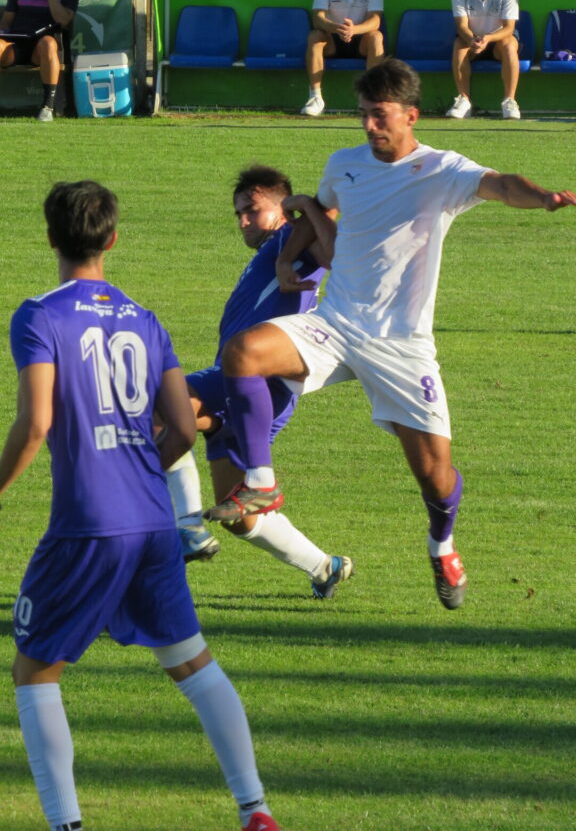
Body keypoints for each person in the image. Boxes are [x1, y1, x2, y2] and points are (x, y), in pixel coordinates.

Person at [205, 59, 576, 611]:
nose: (370, 128)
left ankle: (442, 543)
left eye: (380, 117)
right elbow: (319, 208)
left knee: (435, 477)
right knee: (244, 352)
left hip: (401, 346)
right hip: (335, 325)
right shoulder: (345, 163)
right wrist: (286, 258)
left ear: (410, 115)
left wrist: (543, 196)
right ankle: (260, 480)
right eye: (363, 116)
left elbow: (500, 184)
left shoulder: (442, 169)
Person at [0, 181, 279, 831]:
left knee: (35, 669)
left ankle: (65, 822)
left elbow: (36, 423)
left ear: (50, 238)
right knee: (192, 663)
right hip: (154, 520)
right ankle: (255, 809)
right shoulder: (145, 319)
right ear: (113, 239)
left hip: (87, 525)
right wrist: (135, 472)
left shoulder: (39, 316)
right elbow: (183, 429)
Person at [168, 164, 353, 599]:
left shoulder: (293, 235)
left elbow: (335, 233)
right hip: (241, 385)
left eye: (252, 210)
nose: (243, 221)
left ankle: (186, 527)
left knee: (161, 408)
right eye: (238, 214)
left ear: (281, 207)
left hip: (259, 382)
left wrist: (304, 209)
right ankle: (326, 566)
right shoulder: (273, 249)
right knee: (239, 517)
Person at [300, 0, 385, 117]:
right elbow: (318, 18)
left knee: (377, 37)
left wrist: (354, 30)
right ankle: (315, 97)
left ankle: (373, 99)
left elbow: (375, 20)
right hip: (332, 38)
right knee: (315, 36)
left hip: (361, 38)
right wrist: (337, 28)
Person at [0, 0, 80, 122]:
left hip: (42, 48)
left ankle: (47, 107)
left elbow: (63, 20)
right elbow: (6, 20)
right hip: (16, 45)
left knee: (48, 43)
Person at [446, 0, 522, 121]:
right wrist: (473, 39)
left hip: (497, 39)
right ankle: (464, 100)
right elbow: (461, 26)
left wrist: (488, 38)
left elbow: (509, 28)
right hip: (472, 39)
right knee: (459, 44)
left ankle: (509, 101)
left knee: (509, 43)